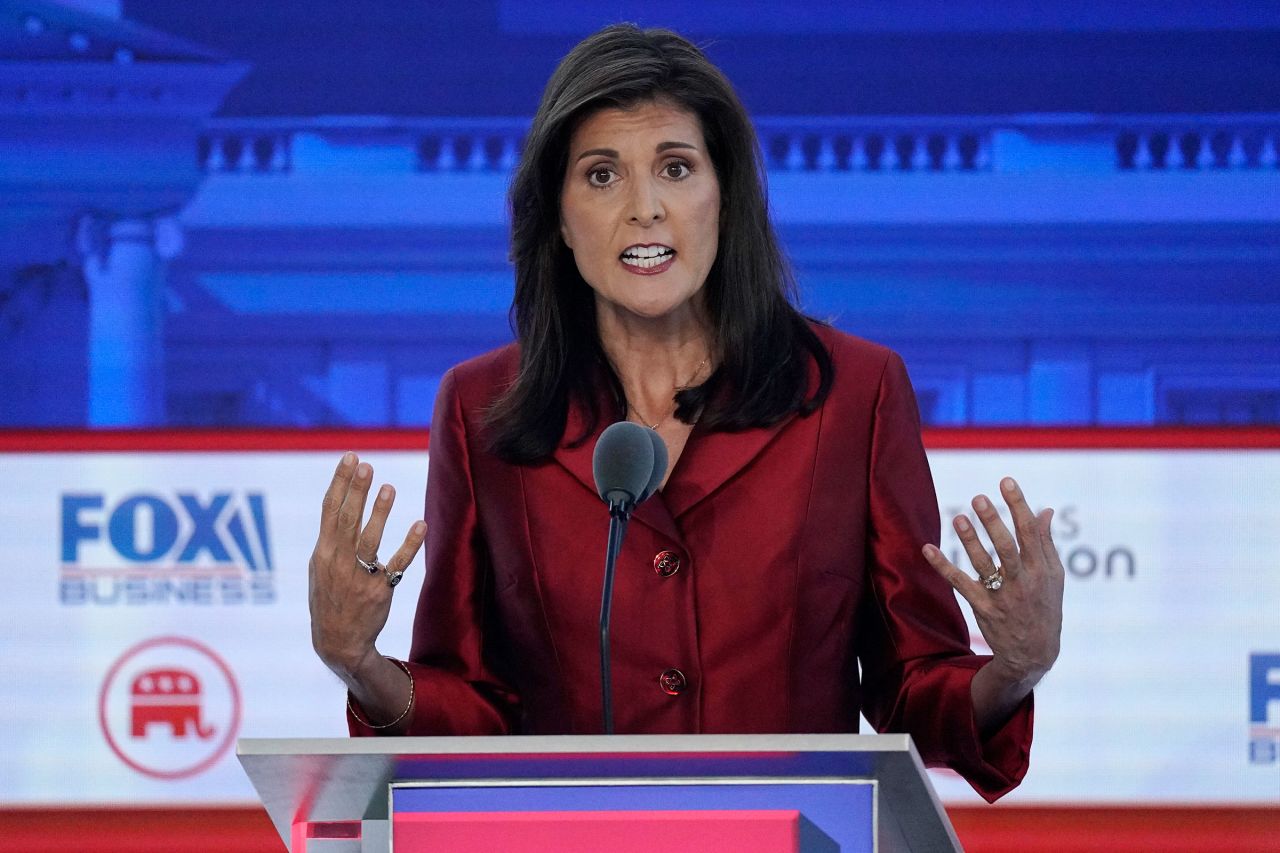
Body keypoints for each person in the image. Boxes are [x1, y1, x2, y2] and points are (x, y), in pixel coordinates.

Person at [308, 24, 1064, 802]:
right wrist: (362, 665)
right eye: (602, 176)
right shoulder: (482, 409)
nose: (644, 209)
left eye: (675, 167)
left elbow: (914, 691)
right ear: (560, 221)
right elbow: (473, 712)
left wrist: (1012, 668)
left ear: (725, 197)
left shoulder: (854, 393)